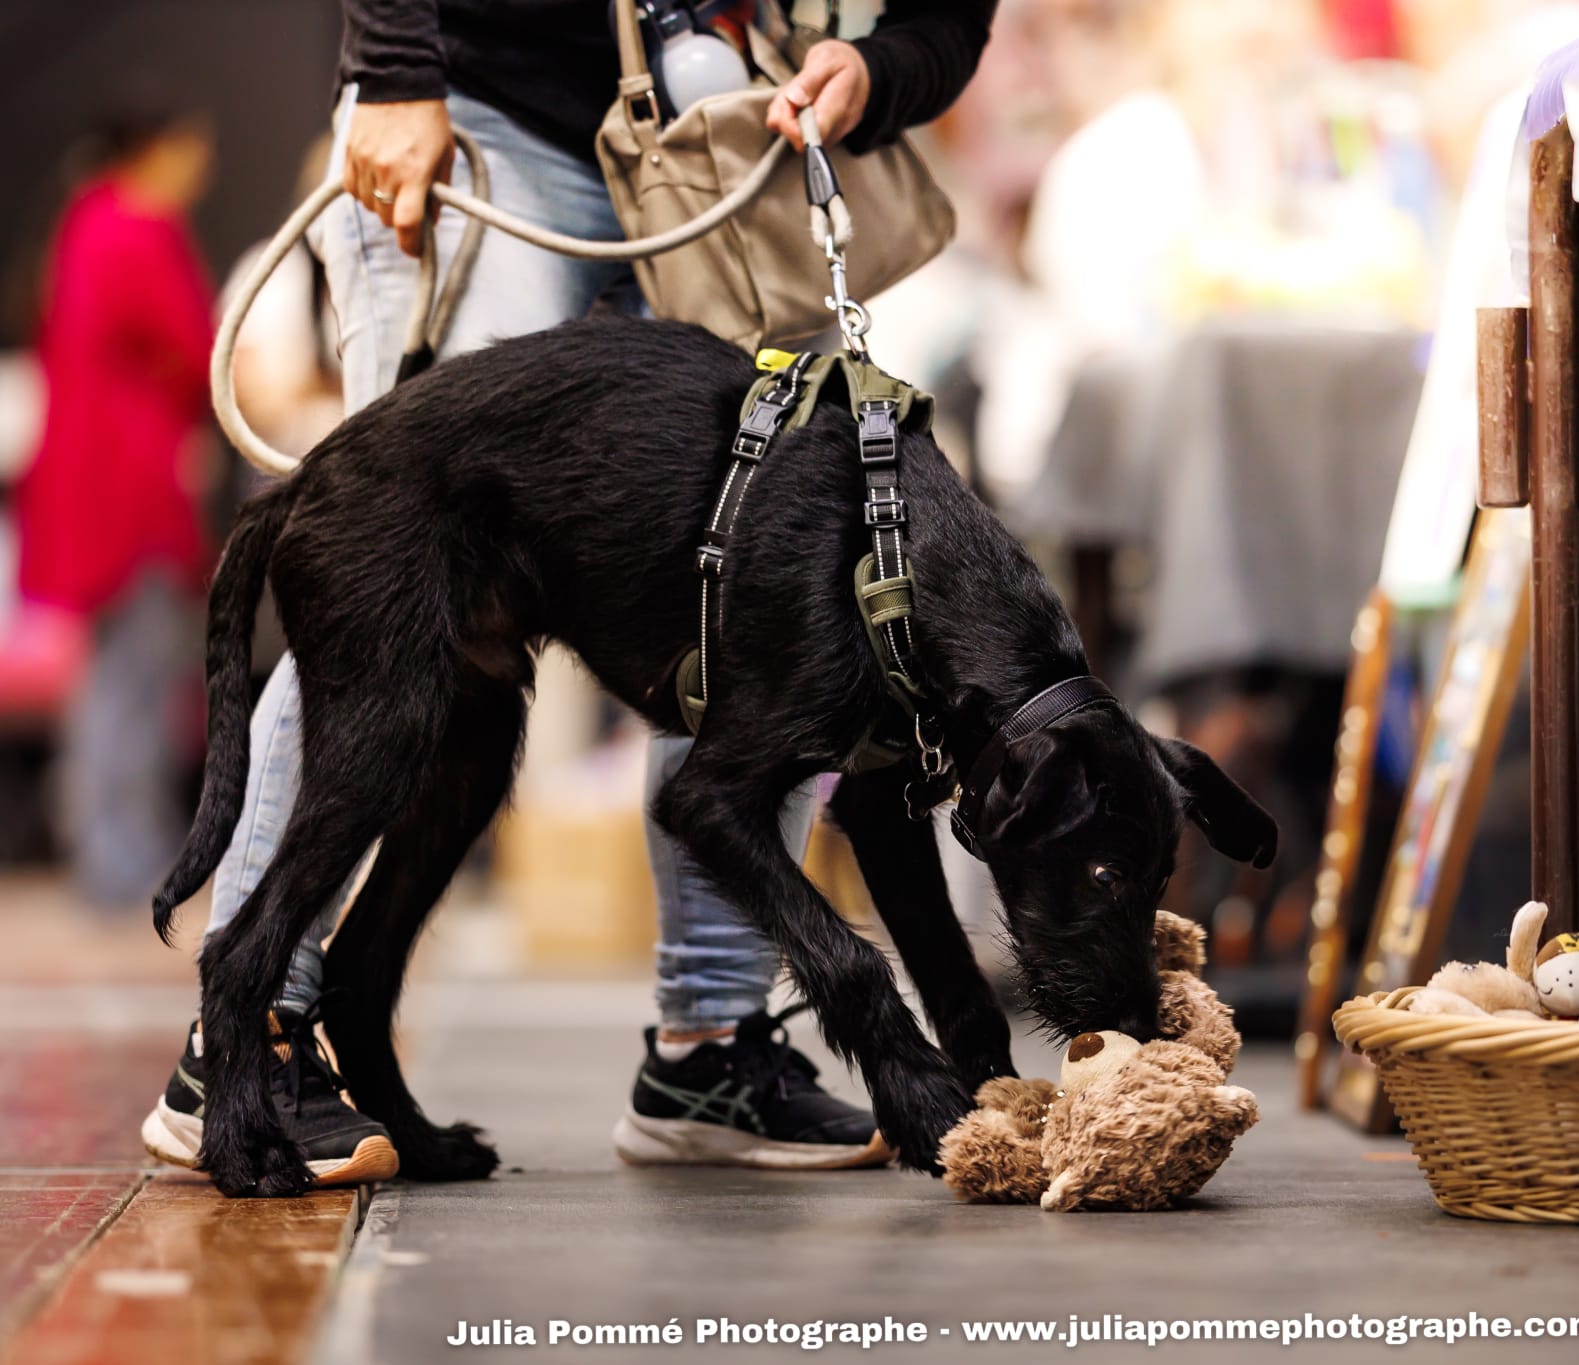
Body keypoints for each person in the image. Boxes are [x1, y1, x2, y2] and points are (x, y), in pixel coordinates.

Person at [140, 0, 997, 1187]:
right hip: (489, 106)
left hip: (728, 130)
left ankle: (709, 1052)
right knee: (389, 601)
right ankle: (251, 1037)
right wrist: (394, 69)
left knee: (762, 615)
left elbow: (945, 18)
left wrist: (876, 67)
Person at [16, 110, 216, 907]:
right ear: (158, 150)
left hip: (87, 492)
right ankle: (125, 863)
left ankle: (113, 855)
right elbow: (198, 348)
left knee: (111, 680)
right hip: (133, 493)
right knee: (136, 680)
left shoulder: (82, 225)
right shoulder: (138, 228)